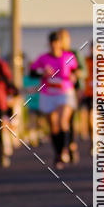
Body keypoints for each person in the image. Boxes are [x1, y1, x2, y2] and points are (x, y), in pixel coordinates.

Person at [30, 32, 78, 169]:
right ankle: (58, 154)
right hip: (48, 93)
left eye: (57, 42)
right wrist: (42, 72)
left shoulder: (68, 57)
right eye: (52, 43)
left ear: (60, 43)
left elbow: (76, 71)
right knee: (53, 125)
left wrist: (75, 76)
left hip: (64, 92)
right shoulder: (43, 58)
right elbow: (32, 72)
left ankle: (64, 150)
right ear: (49, 44)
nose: (54, 45)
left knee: (63, 122)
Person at [58, 28, 83, 163]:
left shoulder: (73, 54)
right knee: (60, 121)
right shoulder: (55, 55)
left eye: (64, 39)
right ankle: (63, 148)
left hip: (71, 90)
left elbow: (82, 71)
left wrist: (77, 76)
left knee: (70, 119)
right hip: (56, 91)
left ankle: (71, 145)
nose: (62, 42)